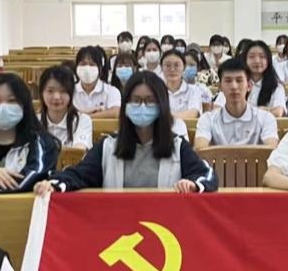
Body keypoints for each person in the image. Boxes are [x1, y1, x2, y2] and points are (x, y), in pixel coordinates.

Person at [34, 71, 217, 194]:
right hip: (118, 227)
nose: (142, 106)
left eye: (150, 101)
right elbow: (79, 174)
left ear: (161, 105)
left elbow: (207, 175)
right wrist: (53, 184)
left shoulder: (177, 146)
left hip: (164, 227)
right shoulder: (108, 145)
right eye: (135, 101)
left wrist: (193, 184)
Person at [194, 58, 279, 148]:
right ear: (220, 87)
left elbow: (272, 150)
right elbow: (200, 150)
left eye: (239, 80)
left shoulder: (266, 118)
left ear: (249, 85)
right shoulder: (207, 119)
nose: (234, 86)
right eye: (228, 81)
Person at [38, 66, 92, 150]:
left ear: (71, 93)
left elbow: (78, 152)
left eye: (63, 91)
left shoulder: (82, 120)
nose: (56, 97)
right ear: (42, 93)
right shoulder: (34, 121)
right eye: (50, 91)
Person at [72, 46, 120, 117]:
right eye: (83, 64)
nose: (87, 68)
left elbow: (115, 112)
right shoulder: (70, 91)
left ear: (100, 69)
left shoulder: (111, 91)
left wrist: (83, 116)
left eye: (92, 64)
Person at [160, 49, 204, 120]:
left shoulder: (194, 90)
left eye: (177, 65)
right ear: (161, 68)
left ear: (184, 67)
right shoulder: (156, 91)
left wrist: (165, 119)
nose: (172, 69)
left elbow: (193, 113)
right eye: (168, 65)